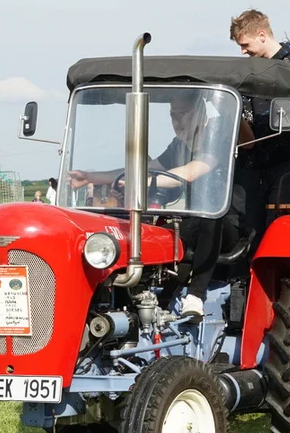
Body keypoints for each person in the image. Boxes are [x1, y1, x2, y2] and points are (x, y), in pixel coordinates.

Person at [69, 91, 231, 321]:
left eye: (183, 114)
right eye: (173, 115)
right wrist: (91, 177)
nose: (177, 121)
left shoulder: (217, 141)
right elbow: (148, 167)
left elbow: (189, 172)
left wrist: (143, 182)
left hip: (229, 222)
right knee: (158, 231)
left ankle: (196, 295)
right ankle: (144, 301)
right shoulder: (178, 145)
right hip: (194, 223)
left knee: (209, 219)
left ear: (200, 114)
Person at [230, 9, 290, 233]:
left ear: (262, 35)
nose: (242, 51)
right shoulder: (249, 72)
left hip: (288, 163)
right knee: (247, 227)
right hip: (253, 163)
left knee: (279, 226)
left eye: (245, 45)